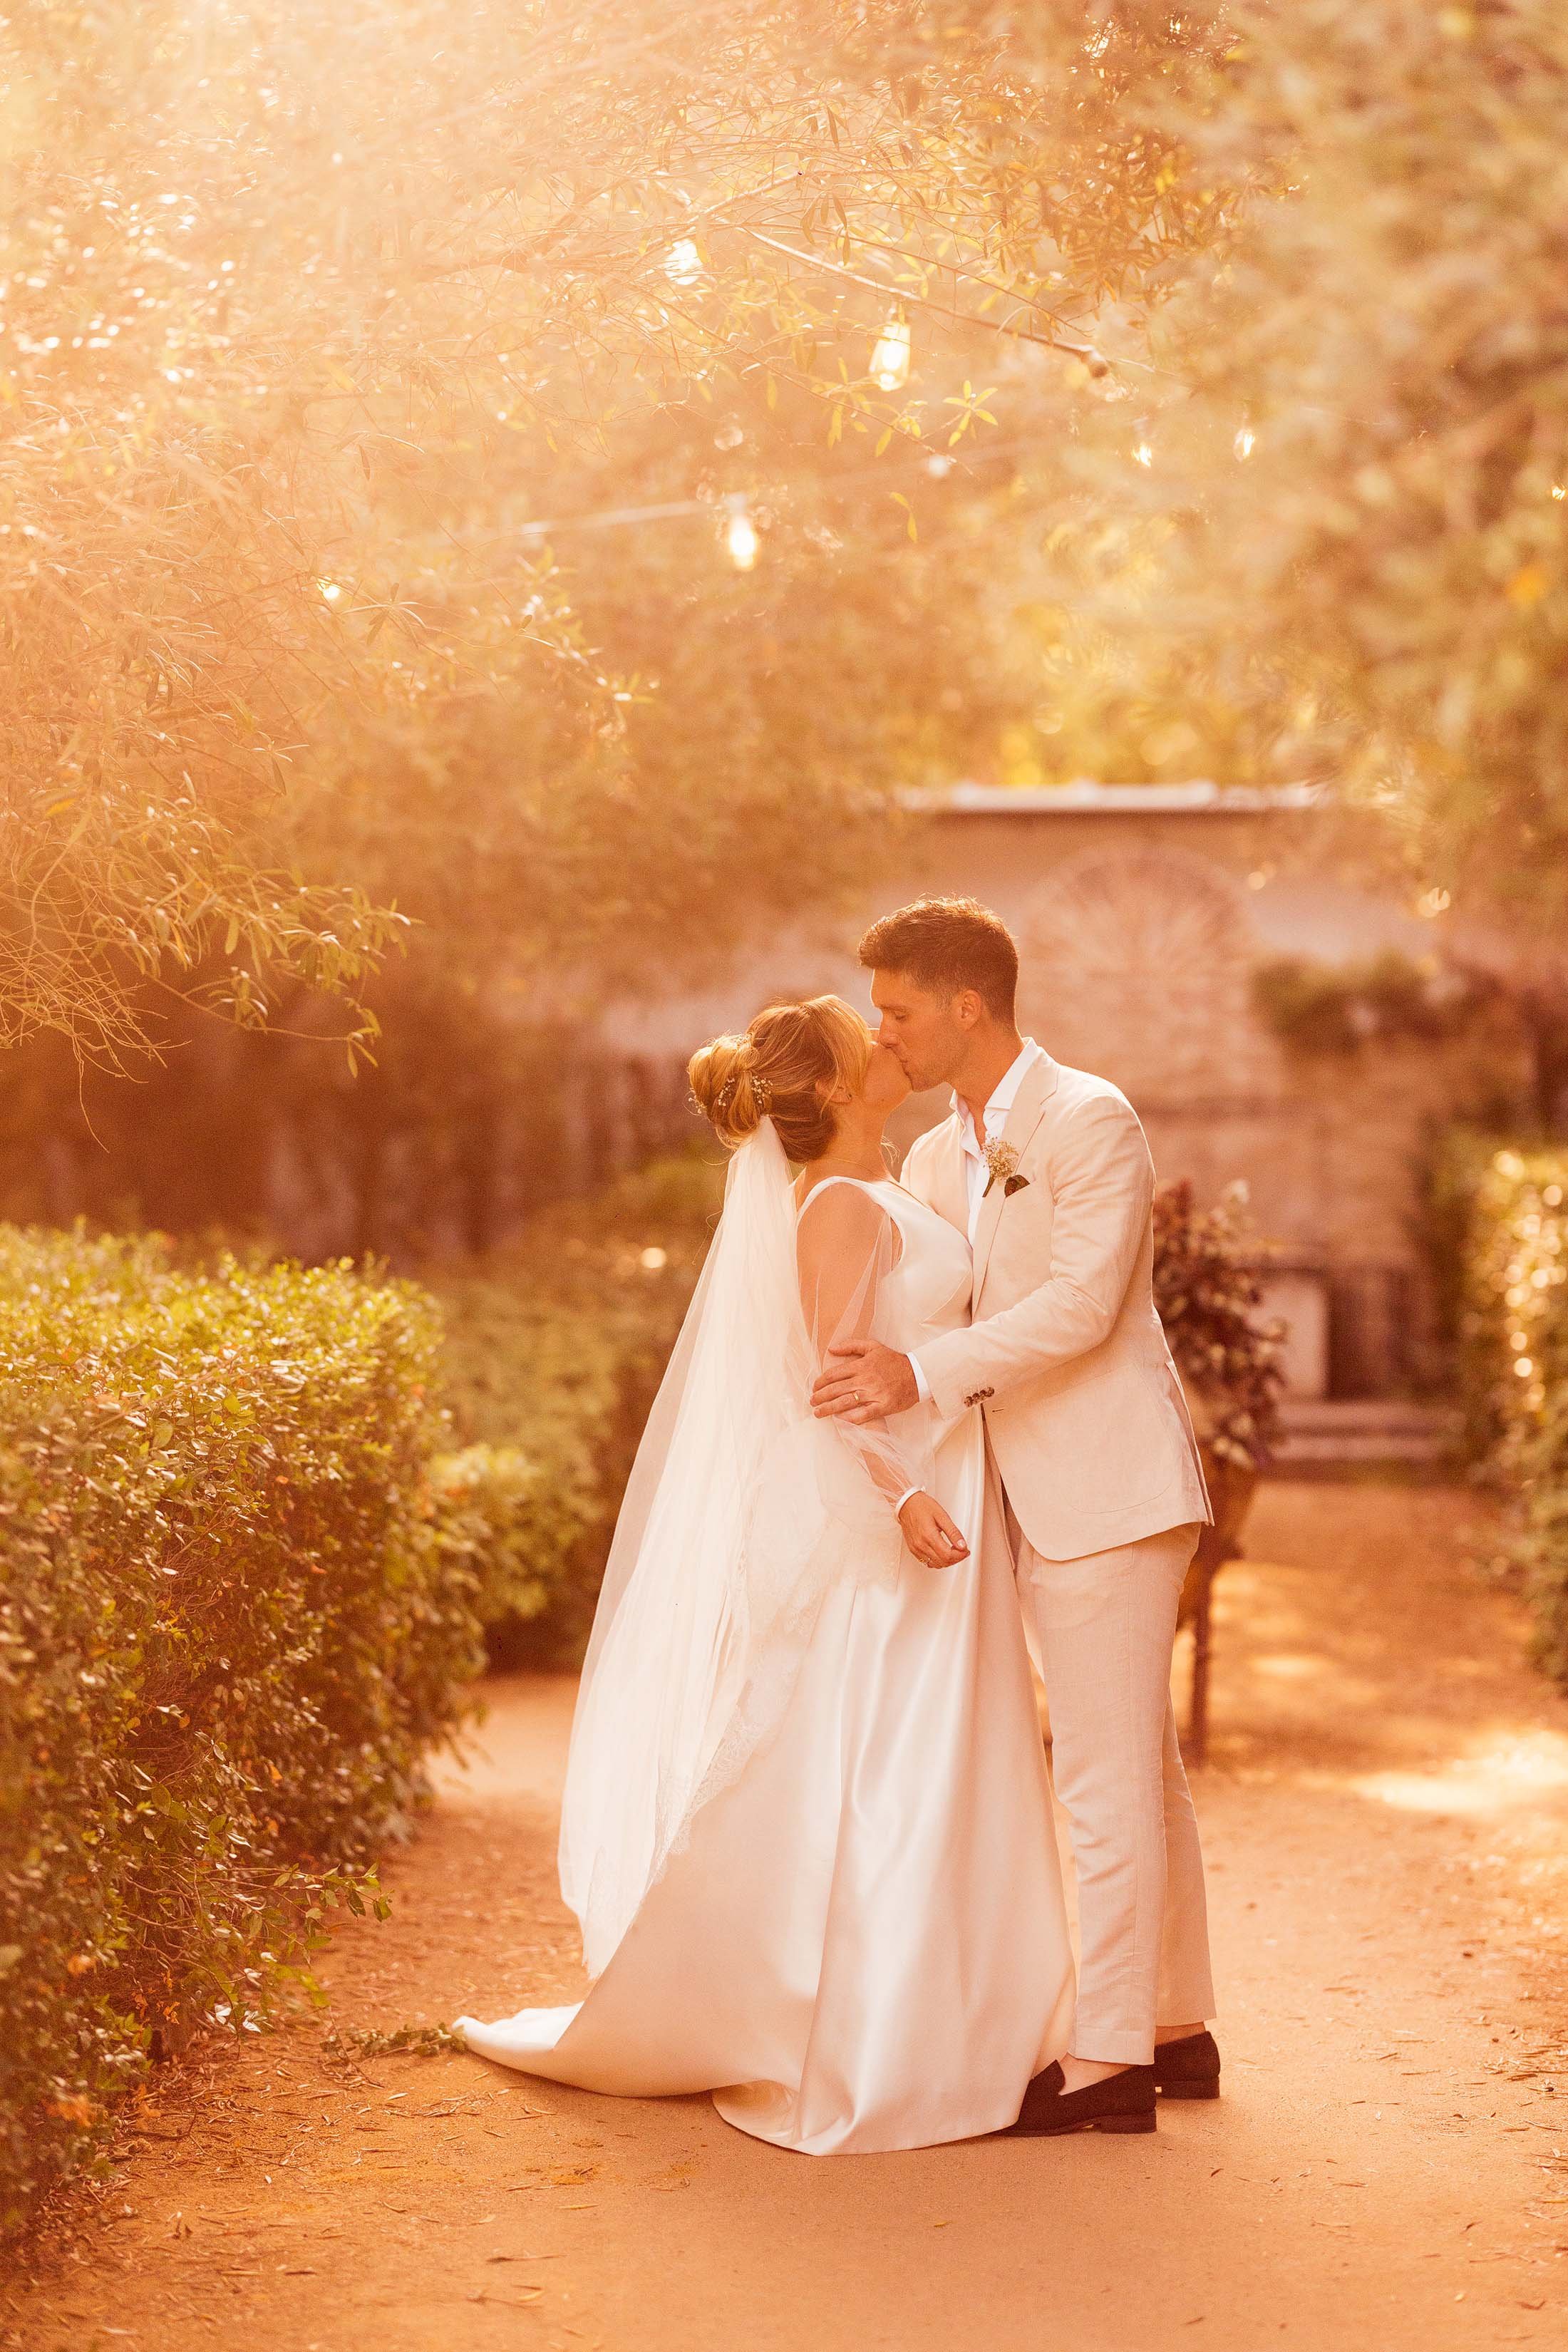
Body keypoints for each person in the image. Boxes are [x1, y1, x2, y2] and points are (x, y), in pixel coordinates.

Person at [455, 996, 1075, 2153]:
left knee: (934, 1765)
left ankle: (968, 2020)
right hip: (894, 1521)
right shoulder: (836, 1206)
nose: (889, 1040)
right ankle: (886, 2041)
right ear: (835, 1089)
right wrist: (904, 1498)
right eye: (867, 1036)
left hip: (935, 1501)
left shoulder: (893, 1184)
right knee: (889, 1769)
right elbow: (825, 1390)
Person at [811, 897, 1220, 2138]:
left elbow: (1082, 1309)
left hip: (1109, 1491)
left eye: (897, 1010)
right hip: (1006, 1497)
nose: (885, 1034)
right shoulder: (937, 1157)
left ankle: (1108, 2066)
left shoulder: (1090, 1118)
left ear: (966, 1003)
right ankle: (1175, 2024)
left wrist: (916, 1377)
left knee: (1097, 1779)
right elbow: (931, 1312)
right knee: (1138, 1765)